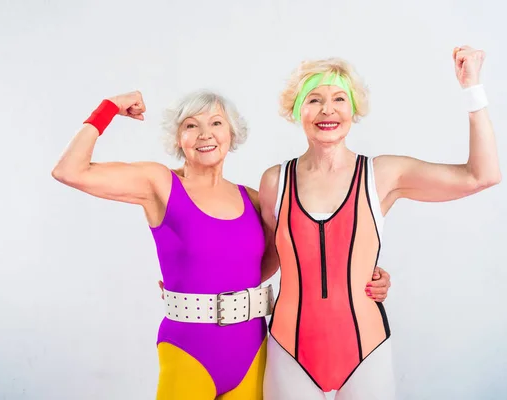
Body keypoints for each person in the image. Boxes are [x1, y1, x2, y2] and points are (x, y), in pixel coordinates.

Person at [51, 89, 392, 399]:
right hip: (188, 351)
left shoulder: (256, 200)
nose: (205, 134)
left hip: (253, 352)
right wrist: (108, 108)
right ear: (177, 138)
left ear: (232, 134)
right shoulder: (159, 183)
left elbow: (307, 255)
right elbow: (69, 171)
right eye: (190, 126)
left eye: (216, 122)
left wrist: (370, 275)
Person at [258, 45, 500, 400]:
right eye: (313, 99)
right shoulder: (274, 181)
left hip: (365, 353)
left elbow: (482, 175)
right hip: (289, 351)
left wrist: (472, 88)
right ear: (296, 109)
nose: (328, 110)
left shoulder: (382, 174)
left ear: (354, 109)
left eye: (339, 98)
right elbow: (264, 260)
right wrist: (195, 285)